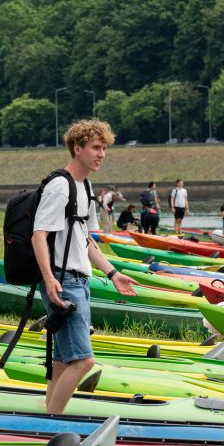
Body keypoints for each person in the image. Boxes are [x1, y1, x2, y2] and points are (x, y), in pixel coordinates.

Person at [32, 119, 138, 414]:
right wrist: (49, 277)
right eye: (95, 147)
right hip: (63, 280)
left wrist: (113, 273)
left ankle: (46, 416)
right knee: (83, 361)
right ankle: (51, 423)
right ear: (77, 148)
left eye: (104, 148)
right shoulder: (60, 186)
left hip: (79, 280)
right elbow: (38, 234)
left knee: (64, 361)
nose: (101, 154)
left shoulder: (85, 186)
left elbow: (85, 240)